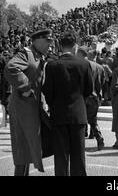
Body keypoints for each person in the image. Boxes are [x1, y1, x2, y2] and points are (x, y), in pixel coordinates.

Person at [42, 31, 93, 176]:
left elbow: (47, 91)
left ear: (59, 45)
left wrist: (54, 104)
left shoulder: (51, 66)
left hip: (59, 115)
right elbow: (89, 90)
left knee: (61, 159)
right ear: (75, 46)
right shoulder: (84, 64)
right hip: (78, 114)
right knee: (78, 158)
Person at [4, 29, 53, 176]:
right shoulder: (26, 53)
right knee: (22, 149)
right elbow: (10, 68)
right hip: (22, 107)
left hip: (32, 107)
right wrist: (25, 88)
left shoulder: (38, 55)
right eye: (47, 42)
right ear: (37, 41)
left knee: (28, 147)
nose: (50, 46)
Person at [76, 46, 105, 150]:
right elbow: (101, 83)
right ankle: (99, 136)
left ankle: (81, 142)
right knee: (93, 120)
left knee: (81, 120)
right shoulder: (100, 67)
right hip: (94, 96)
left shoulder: (81, 65)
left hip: (83, 96)